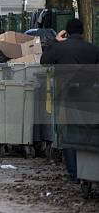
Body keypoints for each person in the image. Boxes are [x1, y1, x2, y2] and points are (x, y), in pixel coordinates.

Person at [40, 19, 99, 180]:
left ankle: (73, 172)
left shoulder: (60, 48)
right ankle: (89, 171)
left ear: (66, 32)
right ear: (83, 32)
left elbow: (44, 61)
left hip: (66, 96)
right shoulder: (93, 49)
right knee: (89, 133)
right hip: (89, 97)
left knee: (68, 134)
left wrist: (54, 41)